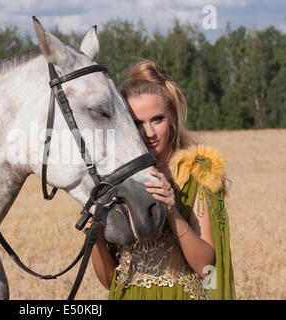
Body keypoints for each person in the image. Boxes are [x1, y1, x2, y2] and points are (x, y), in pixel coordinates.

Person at [83, 59, 235, 300]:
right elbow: (109, 281)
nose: (149, 133)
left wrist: (173, 213)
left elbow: (207, 268)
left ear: (172, 115)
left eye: (157, 119)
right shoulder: (114, 178)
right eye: (137, 123)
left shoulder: (197, 171)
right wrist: (96, 239)